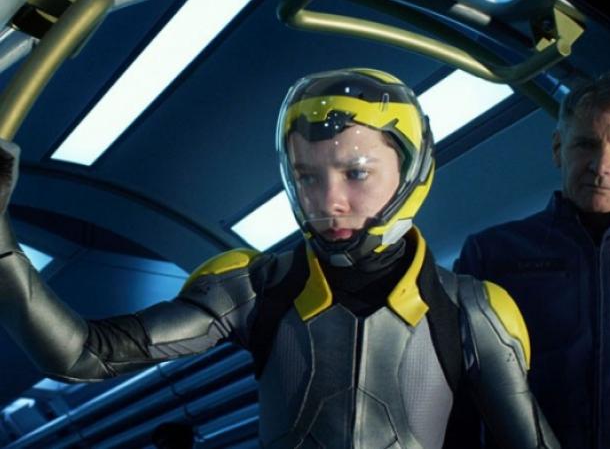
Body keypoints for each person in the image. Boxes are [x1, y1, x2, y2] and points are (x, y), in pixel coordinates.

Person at [0, 68, 559, 448]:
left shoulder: (474, 311)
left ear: (412, 170)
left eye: (356, 173)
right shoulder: (253, 287)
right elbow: (82, 355)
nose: (329, 200)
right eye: (307, 176)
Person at [455, 74, 610, 449]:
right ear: (558, 148)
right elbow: (459, 395)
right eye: (586, 144)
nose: (601, 165)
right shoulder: (491, 254)